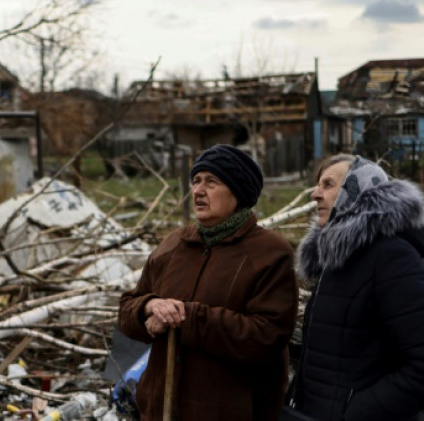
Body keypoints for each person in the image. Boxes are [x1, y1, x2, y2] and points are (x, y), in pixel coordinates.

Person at [117, 144, 298, 420]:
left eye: (212, 182)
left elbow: (267, 336)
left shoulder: (270, 253)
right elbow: (127, 310)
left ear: (238, 192)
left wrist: (187, 317)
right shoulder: (174, 244)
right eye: (196, 181)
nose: (198, 191)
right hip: (160, 410)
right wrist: (149, 307)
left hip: (228, 411)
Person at [286, 154, 424, 420]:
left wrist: (355, 413)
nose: (315, 195)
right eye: (318, 185)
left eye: (328, 185)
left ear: (360, 191)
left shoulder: (392, 258)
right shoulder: (337, 260)